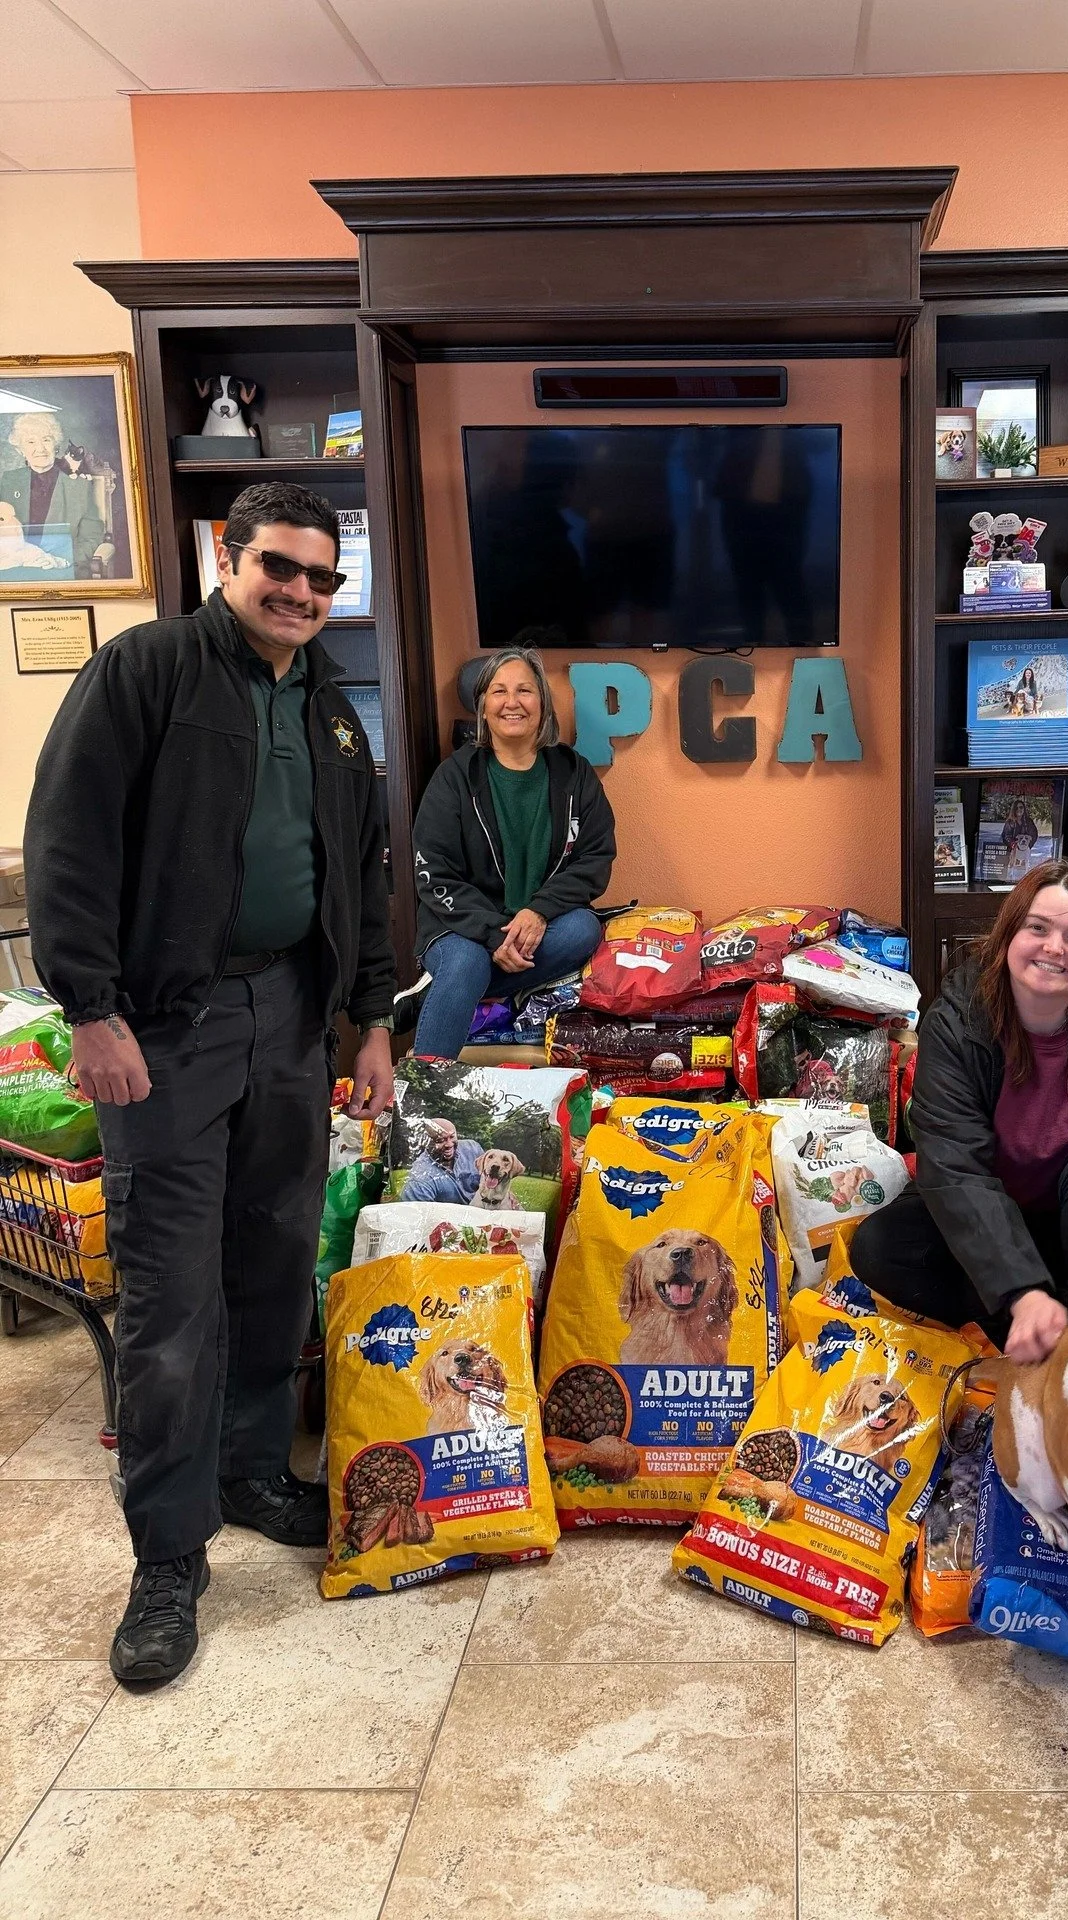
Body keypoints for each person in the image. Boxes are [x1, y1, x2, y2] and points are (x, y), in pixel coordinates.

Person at [24, 480, 396, 1687]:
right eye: (278, 567)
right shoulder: (145, 674)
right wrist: (91, 1008)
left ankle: (246, 1472)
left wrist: (370, 1021)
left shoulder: (333, 710)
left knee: (275, 1265)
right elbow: (68, 841)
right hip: (164, 1030)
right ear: (225, 560)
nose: (300, 593)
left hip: (292, 1015)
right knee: (173, 1303)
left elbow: (363, 870)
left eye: (322, 578)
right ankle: (168, 1557)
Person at [850, 862, 1068, 1359]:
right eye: (1038, 928)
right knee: (881, 1246)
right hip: (1000, 1217)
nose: (1054, 948)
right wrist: (1021, 1289)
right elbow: (954, 1168)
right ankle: (1037, 1325)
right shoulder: (956, 1022)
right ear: (1009, 934)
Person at [407, 643, 614, 1060]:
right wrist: (492, 933)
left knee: (583, 930)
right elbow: (434, 872)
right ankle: (423, 1098)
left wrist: (538, 911)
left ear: (543, 703)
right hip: (462, 929)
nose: (512, 703)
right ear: (483, 707)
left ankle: (440, 993)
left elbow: (595, 857)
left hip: (542, 928)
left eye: (524, 690)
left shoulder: (574, 773)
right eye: (499, 692)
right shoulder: (455, 777)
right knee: (467, 962)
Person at [1, 411, 110, 576]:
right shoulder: (9, 481)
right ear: (21, 450)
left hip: (60, 568)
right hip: (15, 566)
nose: (40, 449)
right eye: (30, 442)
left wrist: (61, 560)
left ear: (56, 445)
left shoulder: (78, 486)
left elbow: (92, 536)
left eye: (46, 439)